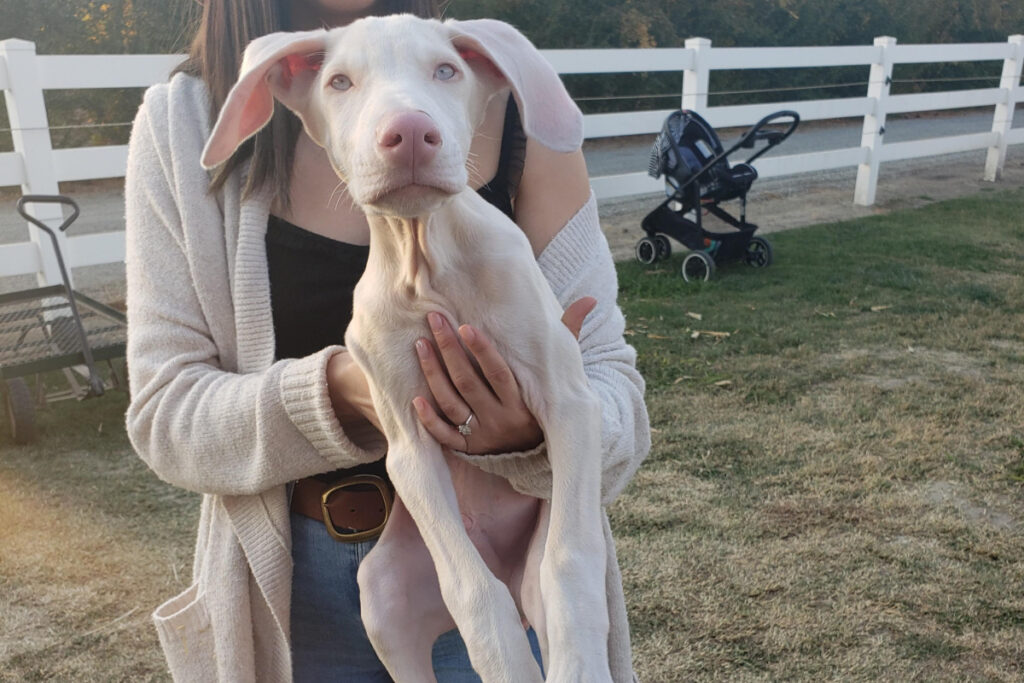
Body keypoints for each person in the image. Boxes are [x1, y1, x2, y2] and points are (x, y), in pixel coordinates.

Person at [124, 0, 650, 680]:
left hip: (528, 578)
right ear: (291, 89)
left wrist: (528, 426)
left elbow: (612, 398)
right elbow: (166, 415)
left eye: (443, 75)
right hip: (297, 597)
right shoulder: (182, 121)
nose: (407, 125)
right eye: (341, 83)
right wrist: (349, 389)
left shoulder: (505, 84)